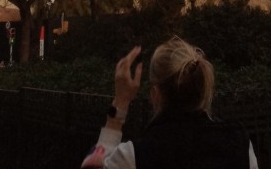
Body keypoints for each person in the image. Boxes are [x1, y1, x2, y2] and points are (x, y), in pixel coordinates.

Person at [81, 38, 258, 168]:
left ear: (156, 94)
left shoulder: (134, 157)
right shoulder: (239, 145)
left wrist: (120, 104)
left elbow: (96, 163)